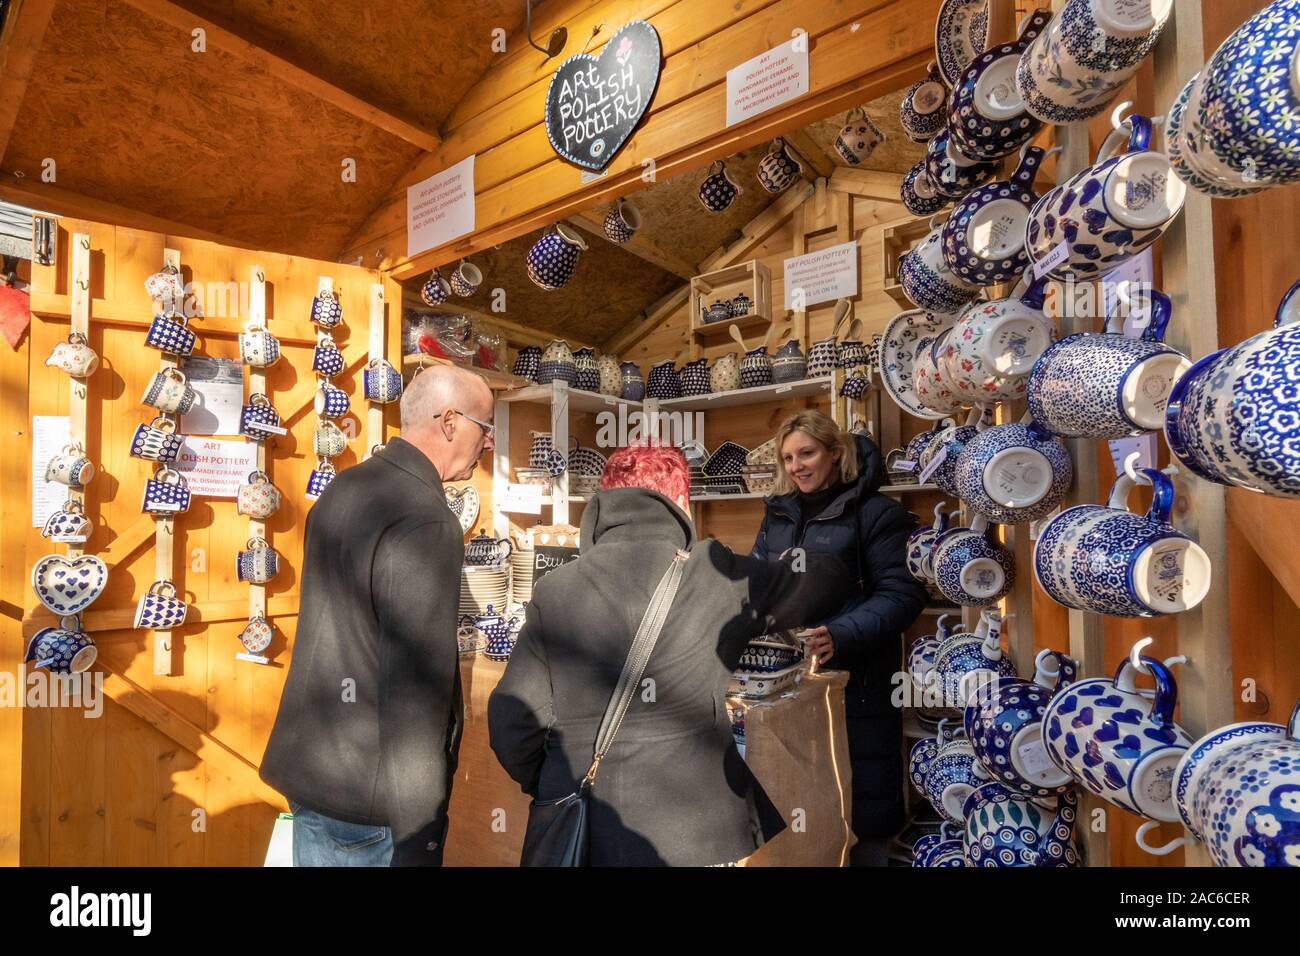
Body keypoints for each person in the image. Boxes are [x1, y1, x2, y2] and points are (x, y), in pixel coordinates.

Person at [487, 442, 853, 866]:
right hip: (695, 832)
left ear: (604, 502)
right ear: (680, 501)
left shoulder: (555, 588)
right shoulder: (715, 571)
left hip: (585, 834)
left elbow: (513, 723)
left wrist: (557, 781)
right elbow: (824, 584)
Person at [260, 364, 494, 866]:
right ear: (450, 421)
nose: (488, 444)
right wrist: (421, 832)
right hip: (370, 806)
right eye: (486, 427)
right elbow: (416, 691)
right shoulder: (428, 521)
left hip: (315, 775)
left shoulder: (342, 490)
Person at [751, 411, 926, 866]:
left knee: (861, 804)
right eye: (788, 458)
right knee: (803, 799)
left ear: (835, 452)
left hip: (859, 683)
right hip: (789, 685)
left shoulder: (876, 514)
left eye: (806, 453)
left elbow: (903, 595)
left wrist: (841, 634)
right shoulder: (777, 515)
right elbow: (758, 584)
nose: (797, 466)